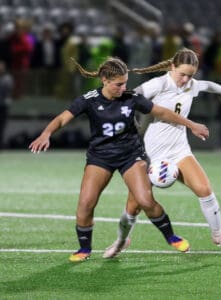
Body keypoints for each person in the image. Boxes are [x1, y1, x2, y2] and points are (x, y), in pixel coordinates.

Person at [29, 56, 209, 262]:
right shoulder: (89, 100)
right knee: (85, 204)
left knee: (145, 200)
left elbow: (163, 112)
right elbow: (63, 118)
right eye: (119, 84)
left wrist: (191, 124)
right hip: (100, 157)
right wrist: (46, 134)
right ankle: (84, 248)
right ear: (104, 80)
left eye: (125, 83)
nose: (124, 88)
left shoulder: (131, 98)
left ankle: (171, 236)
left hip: (131, 155)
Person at [103, 48, 221, 259]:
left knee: (205, 189)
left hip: (179, 150)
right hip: (150, 153)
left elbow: (207, 85)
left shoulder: (192, 84)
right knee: (134, 204)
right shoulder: (159, 84)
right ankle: (121, 241)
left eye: (191, 75)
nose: (186, 79)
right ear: (172, 67)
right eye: (183, 74)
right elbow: (133, 95)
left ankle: (218, 235)